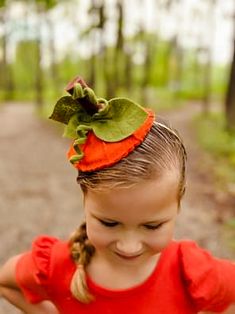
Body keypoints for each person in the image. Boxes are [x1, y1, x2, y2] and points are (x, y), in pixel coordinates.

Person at [0, 76, 235, 314]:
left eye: (152, 226)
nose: (129, 246)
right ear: (85, 199)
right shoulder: (57, 266)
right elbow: (7, 283)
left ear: (178, 203)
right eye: (109, 223)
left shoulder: (191, 272)